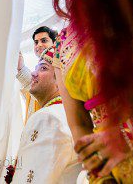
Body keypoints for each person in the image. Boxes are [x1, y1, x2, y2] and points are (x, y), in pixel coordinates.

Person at [49, 0, 133, 182]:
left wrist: (129, 137)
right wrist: (99, 173)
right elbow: (79, 124)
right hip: (110, 170)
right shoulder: (63, 41)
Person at [11, 47, 81, 183]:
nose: (33, 74)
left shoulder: (49, 118)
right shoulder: (69, 115)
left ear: (61, 80)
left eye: (43, 68)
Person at [16, 26, 57, 121]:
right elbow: (31, 94)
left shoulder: (60, 65)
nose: (39, 45)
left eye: (44, 40)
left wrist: (21, 69)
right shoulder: (36, 70)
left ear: (54, 43)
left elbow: (43, 91)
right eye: (36, 42)